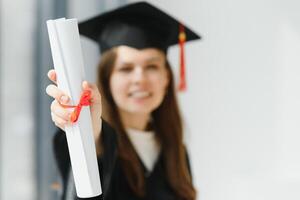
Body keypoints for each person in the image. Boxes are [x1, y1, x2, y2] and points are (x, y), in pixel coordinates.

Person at [46, 1, 201, 200]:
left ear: (167, 78)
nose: (140, 79)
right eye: (125, 69)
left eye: (152, 66)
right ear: (107, 79)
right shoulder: (101, 143)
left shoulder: (176, 152)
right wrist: (87, 131)